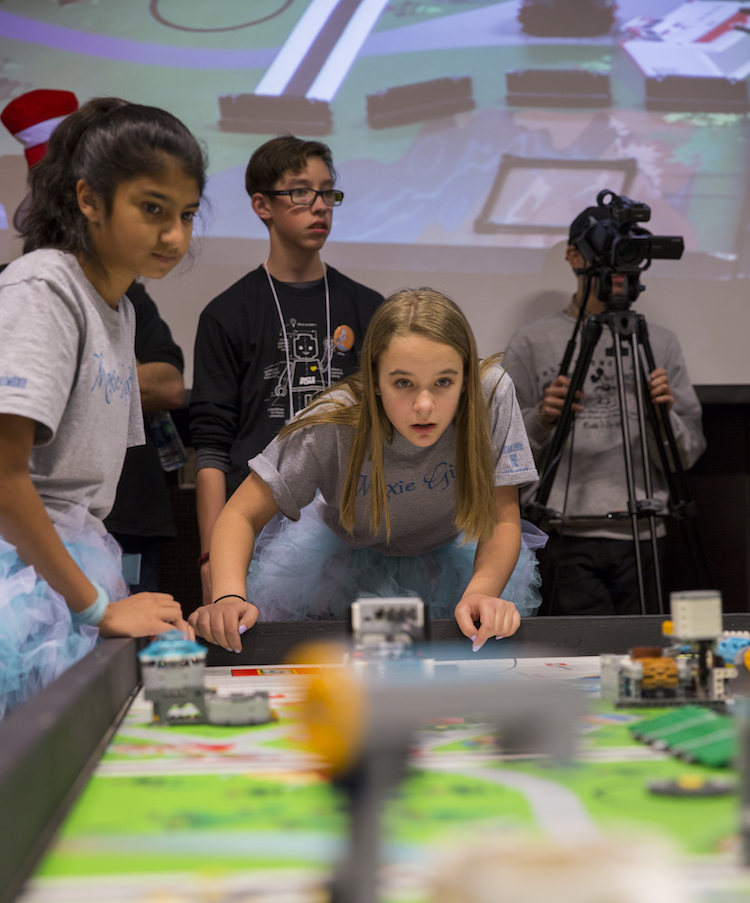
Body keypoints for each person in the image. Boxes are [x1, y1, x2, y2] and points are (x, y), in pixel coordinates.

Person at [189, 288, 544, 654]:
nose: (424, 405)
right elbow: (241, 513)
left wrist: (482, 591)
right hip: (341, 569)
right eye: (403, 383)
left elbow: (501, 516)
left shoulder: (491, 395)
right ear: (374, 378)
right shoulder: (330, 423)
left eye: (444, 382)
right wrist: (228, 597)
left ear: (467, 377)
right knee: (352, 683)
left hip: (451, 559)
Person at [0, 96, 206, 718]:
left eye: (187, 214)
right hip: (19, 573)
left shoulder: (120, 309)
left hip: (67, 562)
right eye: (153, 209)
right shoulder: (43, 288)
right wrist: (98, 608)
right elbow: (5, 478)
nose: (175, 236)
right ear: (89, 199)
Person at [190, 136, 383, 606]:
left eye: (327, 192)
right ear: (262, 205)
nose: (319, 206)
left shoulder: (369, 308)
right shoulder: (227, 313)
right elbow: (212, 448)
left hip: (350, 530)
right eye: (300, 192)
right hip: (254, 530)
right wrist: (212, 557)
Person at [503, 207, 706, 616]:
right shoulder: (531, 342)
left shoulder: (660, 344)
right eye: (607, 248)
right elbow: (502, 452)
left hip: (642, 533)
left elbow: (688, 453)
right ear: (574, 256)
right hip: (562, 532)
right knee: (575, 651)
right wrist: (542, 418)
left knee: (644, 650)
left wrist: (661, 417)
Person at [104, 282, 186, 593]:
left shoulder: (127, 294)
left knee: (133, 618)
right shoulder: (18, 284)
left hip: (126, 517)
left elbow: (169, 387)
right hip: (39, 511)